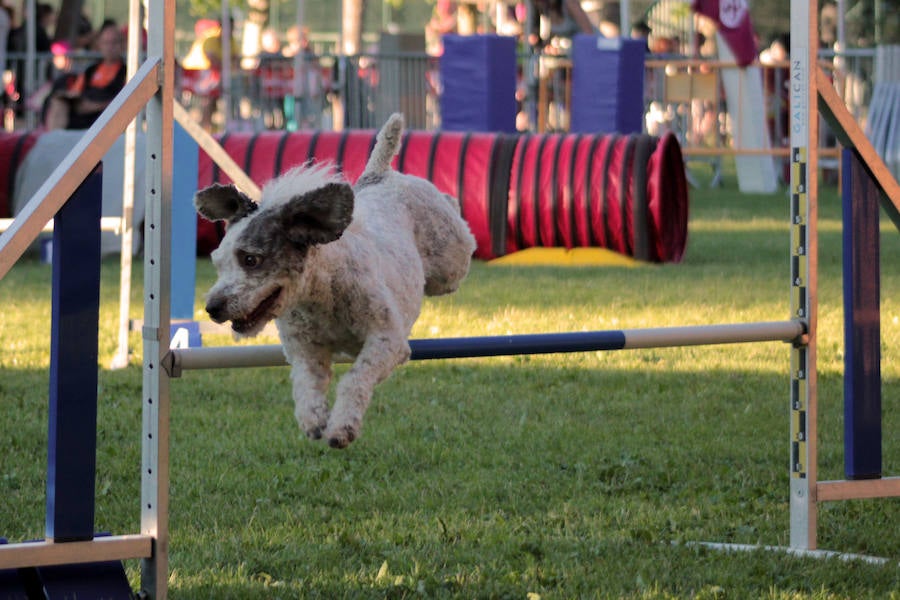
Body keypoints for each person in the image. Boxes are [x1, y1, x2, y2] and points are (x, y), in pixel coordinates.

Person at [43, 20, 126, 130]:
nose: (109, 47)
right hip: (83, 109)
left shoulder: (127, 71)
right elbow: (76, 91)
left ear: (122, 45)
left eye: (114, 42)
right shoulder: (91, 70)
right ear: (100, 45)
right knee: (58, 102)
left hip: (105, 113)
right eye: (106, 43)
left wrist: (96, 106)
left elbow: (126, 100)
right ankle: (53, 139)